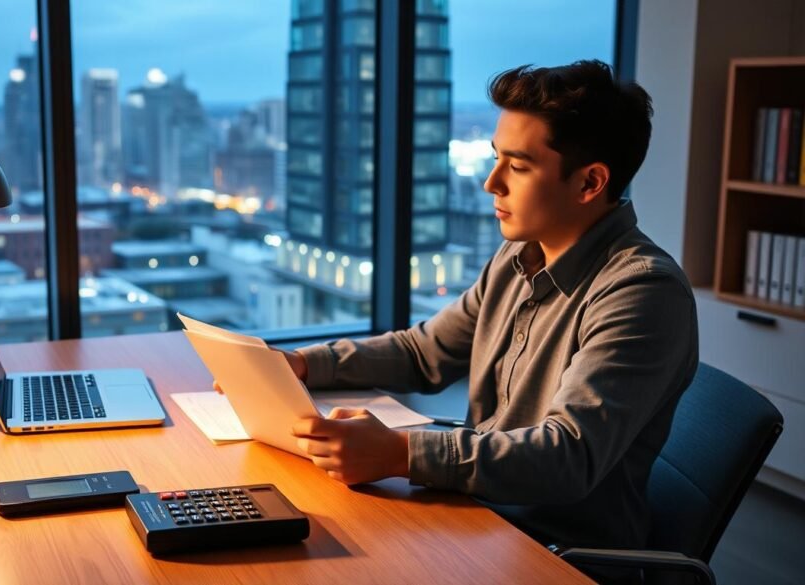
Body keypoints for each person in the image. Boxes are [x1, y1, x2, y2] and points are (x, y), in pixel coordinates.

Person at [221, 60, 698, 569]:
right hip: (477, 517)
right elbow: (424, 352)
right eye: (496, 158)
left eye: (518, 166)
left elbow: (568, 456)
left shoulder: (641, 291)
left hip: (552, 552)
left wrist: (400, 454)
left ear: (589, 183)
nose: (491, 182)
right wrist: (304, 364)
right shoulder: (517, 259)